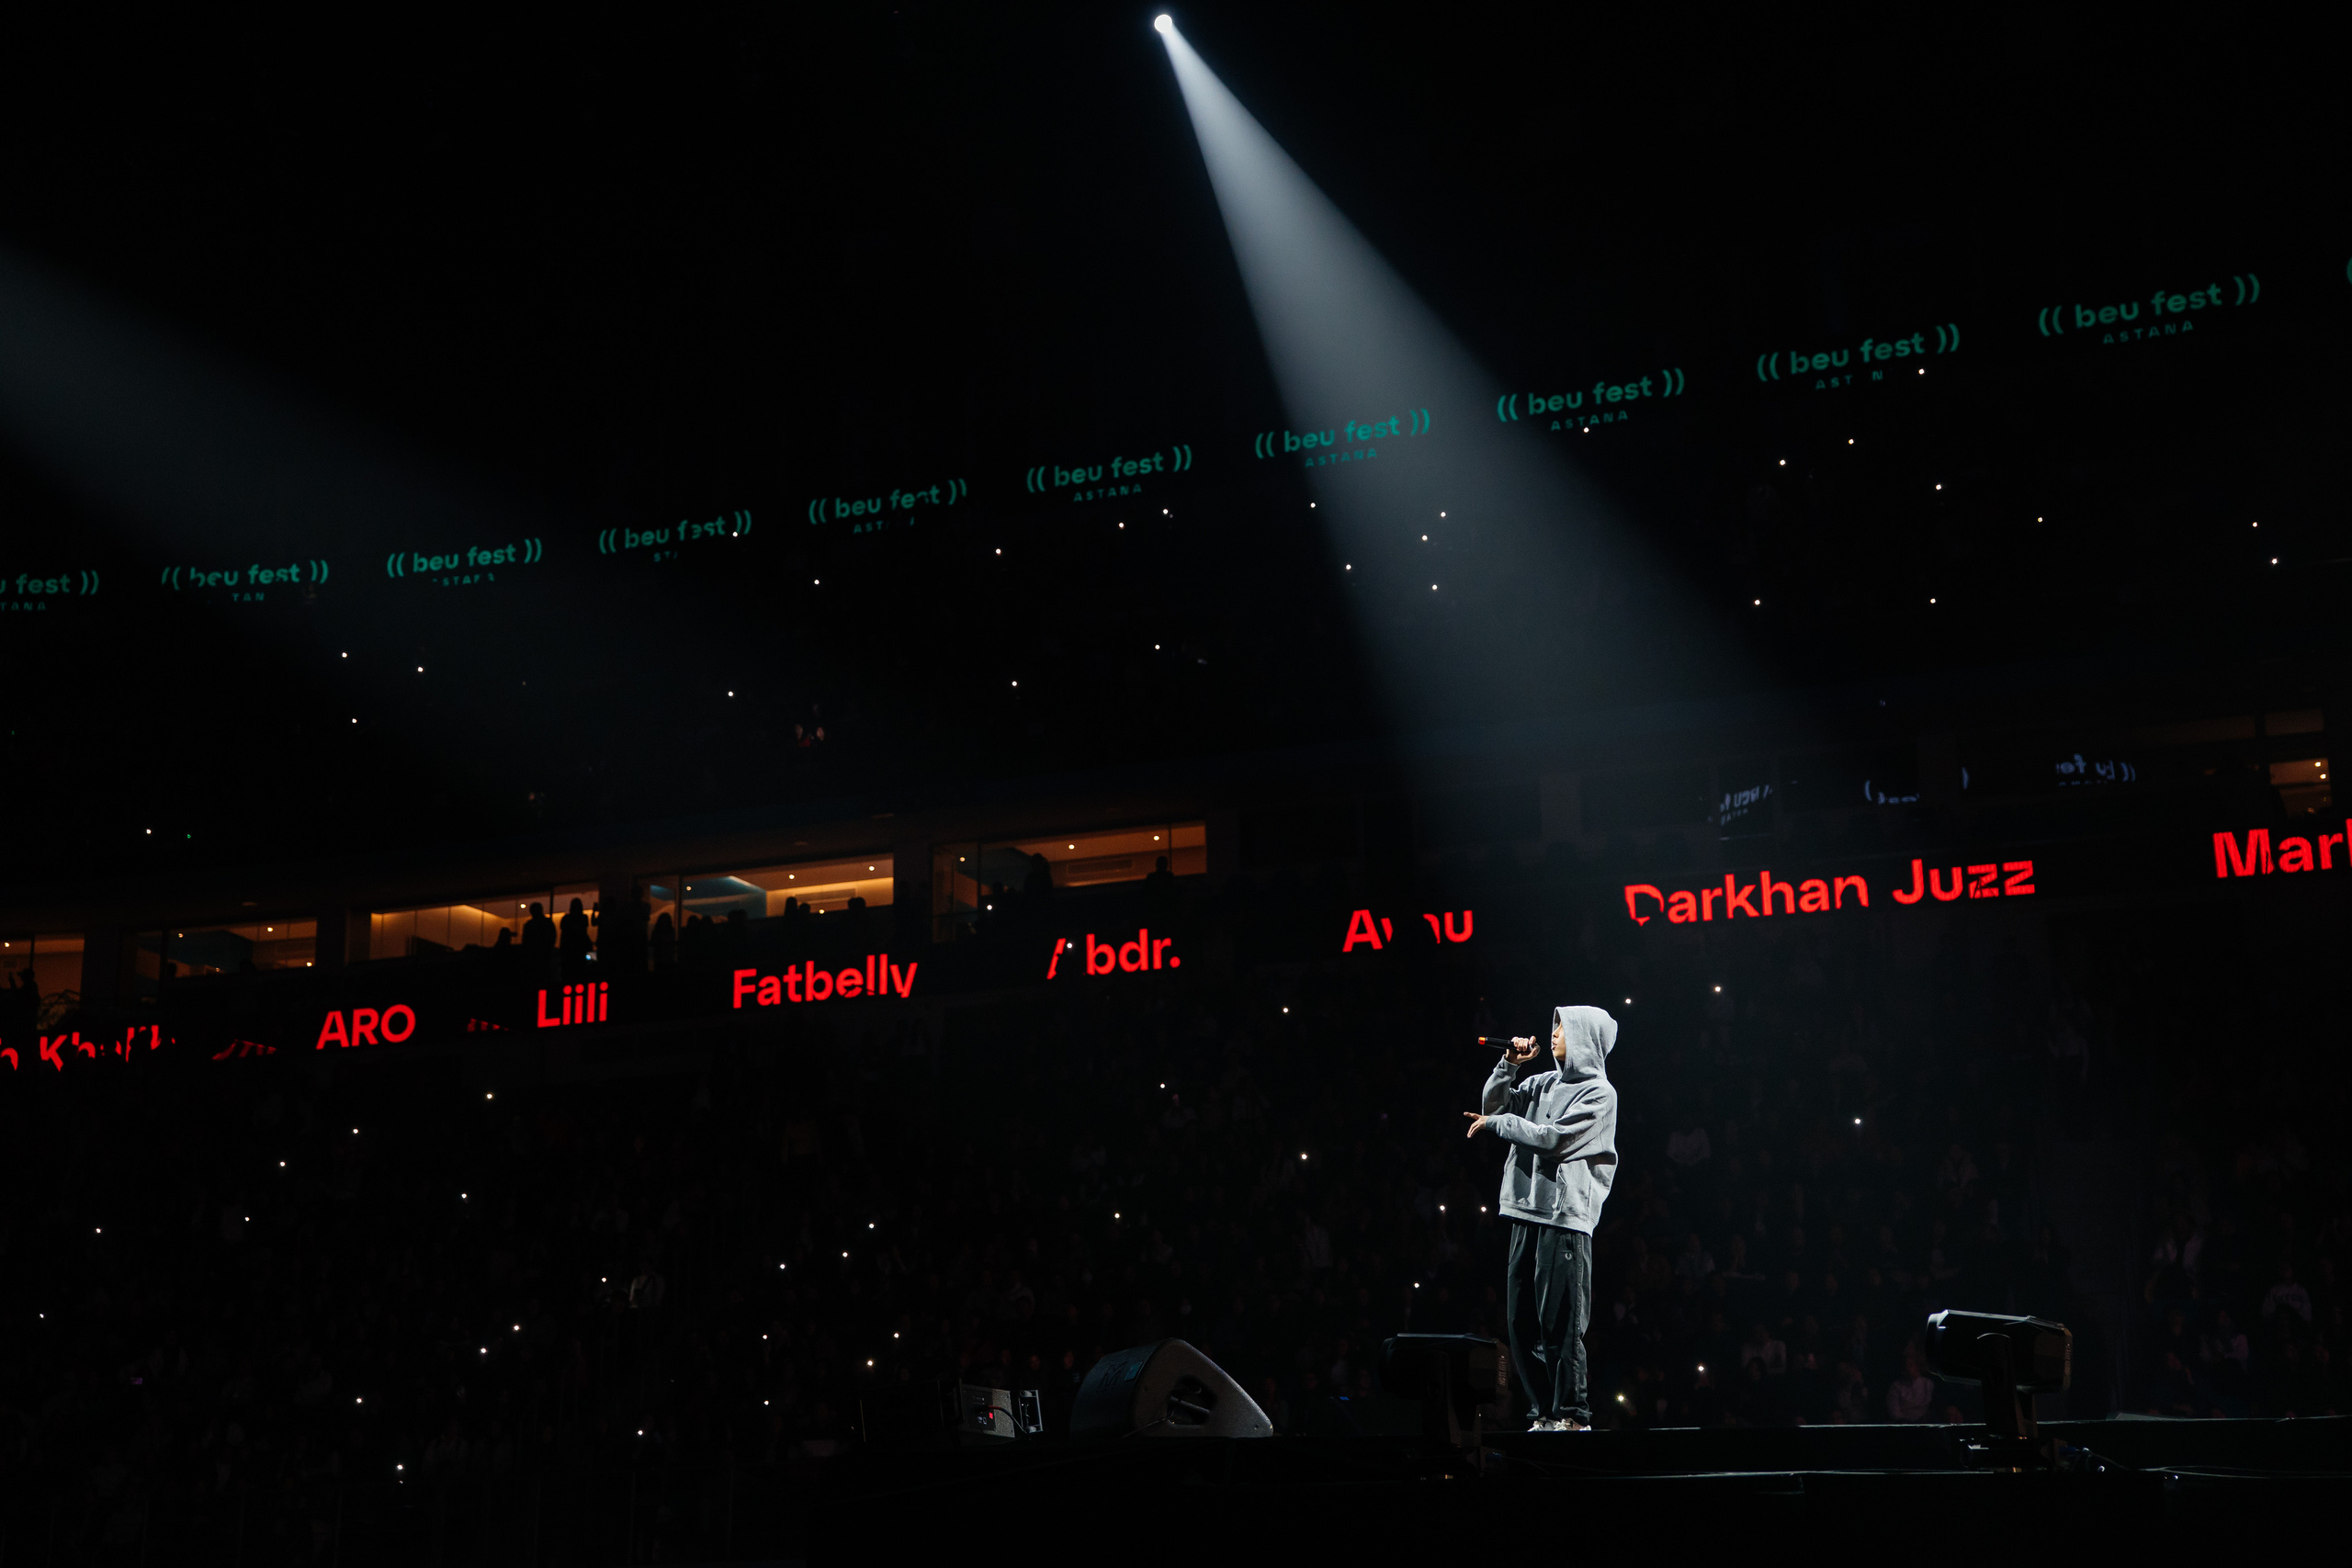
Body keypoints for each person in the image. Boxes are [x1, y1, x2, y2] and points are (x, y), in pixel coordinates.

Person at [1464, 1005, 1619, 1431]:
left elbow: (1554, 1140)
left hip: (1564, 1218)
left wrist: (1499, 1124)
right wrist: (1508, 1065)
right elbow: (1494, 1106)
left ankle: (1572, 1414)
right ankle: (1544, 1414)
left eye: (1562, 1028)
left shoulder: (1600, 1094)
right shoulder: (1542, 1083)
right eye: (1554, 1026)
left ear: (1585, 1037)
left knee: (1561, 1323)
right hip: (1524, 1210)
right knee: (1521, 1323)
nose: (1553, 1034)